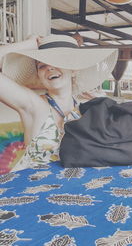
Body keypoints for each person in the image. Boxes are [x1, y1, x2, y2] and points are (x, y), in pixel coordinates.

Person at [0, 34, 118, 171]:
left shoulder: (85, 109)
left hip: (76, 188)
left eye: (57, 61)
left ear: (74, 69)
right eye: (42, 66)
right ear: (38, 75)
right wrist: (27, 44)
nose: (49, 68)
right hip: (32, 187)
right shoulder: (35, 106)